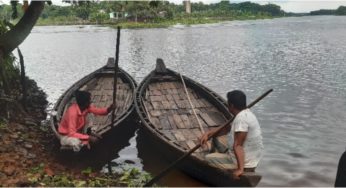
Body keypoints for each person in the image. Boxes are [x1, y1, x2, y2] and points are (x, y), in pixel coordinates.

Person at [200, 90, 263, 179]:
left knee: (206, 158)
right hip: (251, 159)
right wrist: (208, 133)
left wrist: (240, 169)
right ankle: (218, 157)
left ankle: (219, 162)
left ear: (231, 105)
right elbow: (226, 128)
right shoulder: (247, 113)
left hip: (244, 163)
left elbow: (238, 146)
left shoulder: (241, 119)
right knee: (216, 138)